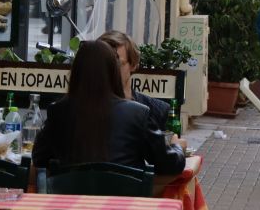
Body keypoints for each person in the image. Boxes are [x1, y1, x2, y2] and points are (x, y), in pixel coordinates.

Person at [32, 40, 186, 174]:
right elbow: (169, 164)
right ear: (113, 72)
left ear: (76, 72)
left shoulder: (58, 111)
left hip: (71, 202)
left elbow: (39, 158)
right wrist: (176, 147)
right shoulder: (138, 113)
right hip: (124, 203)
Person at [98, 30, 170, 132]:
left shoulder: (156, 111)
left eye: (117, 64)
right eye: (103, 64)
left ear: (133, 65)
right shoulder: (81, 108)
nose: (109, 70)